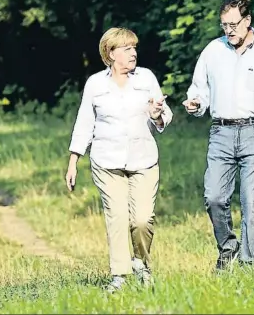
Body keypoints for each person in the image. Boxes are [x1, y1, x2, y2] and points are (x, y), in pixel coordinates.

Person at [182, 0, 254, 269]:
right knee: (213, 197)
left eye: (234, 24)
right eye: (224, 25)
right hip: (220, 132)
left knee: (251, 201)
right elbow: (199, 89)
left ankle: (249, 263)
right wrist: (196, 102)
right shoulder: (212, 51)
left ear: (247, 21)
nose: (229, 31)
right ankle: (228, 246)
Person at [65, 27, 173, 292]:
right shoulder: (95, 84)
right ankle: (119, 277)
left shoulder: (146, 78)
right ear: (111, 53)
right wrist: (73, 161)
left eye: (134, 48)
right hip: (106, 161)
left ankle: (142, 264)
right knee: (116, 217)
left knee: (142, 220)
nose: (133, 53)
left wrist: (157, 113)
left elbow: (163, 116)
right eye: (126, 49)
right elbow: (84, 123)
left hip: (144, 160)